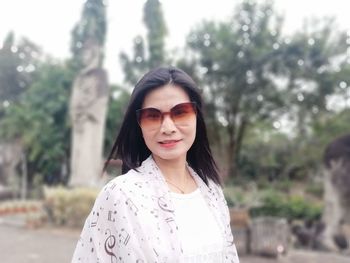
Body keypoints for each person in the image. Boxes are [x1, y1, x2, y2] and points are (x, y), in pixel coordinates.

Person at [72, 66, 239, 262]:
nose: (168, 128)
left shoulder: (212, 191)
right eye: (152, 116)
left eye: (180, 112)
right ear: (139, 124)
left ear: (196, 116)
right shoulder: (122, 195)